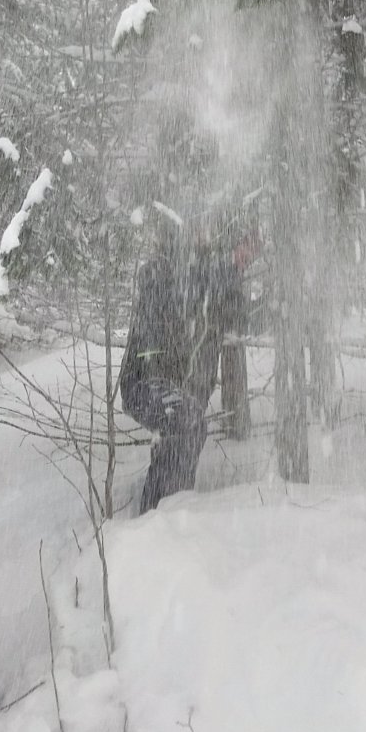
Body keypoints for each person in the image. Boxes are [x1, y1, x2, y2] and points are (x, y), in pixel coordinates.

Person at [120, 219, 259, 514]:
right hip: (145, 379)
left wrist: (276, 305)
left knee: (186, 430)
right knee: (187, 422)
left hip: (175, 388)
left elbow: (246, 320)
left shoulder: (220, 285)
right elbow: (178, 286)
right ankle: (158, 516)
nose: (247, 259)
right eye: (244, 250)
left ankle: (166, 511)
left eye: (252, 254)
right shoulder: (178, 272)